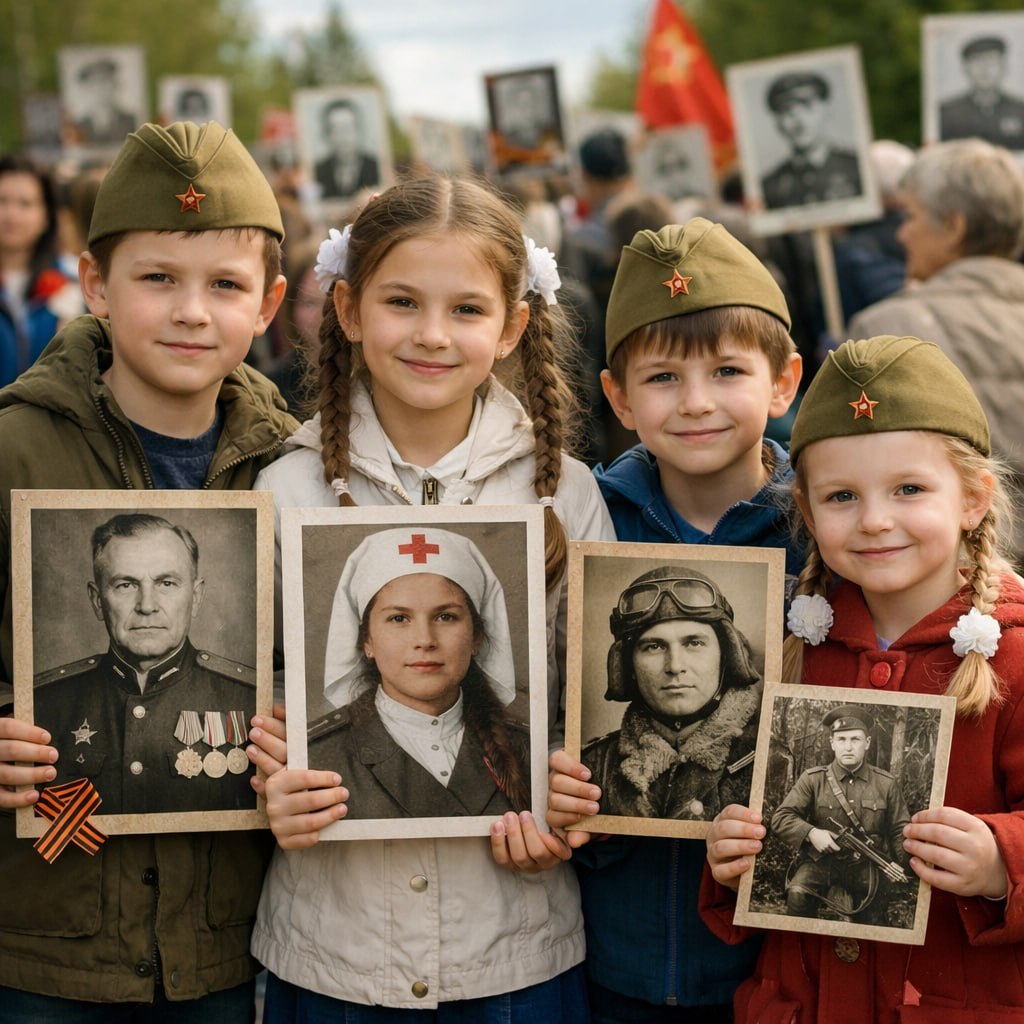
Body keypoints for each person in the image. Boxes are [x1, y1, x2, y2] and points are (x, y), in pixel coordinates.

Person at [246, 174, 614, 1019]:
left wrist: (568, 803)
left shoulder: (567, 495)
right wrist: (268, 774)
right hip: (335, 947)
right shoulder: (286, 490)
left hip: (514, 946)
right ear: (347, 310)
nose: (432, 336)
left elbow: (591, 702)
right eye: (403, 302)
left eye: (468, 310)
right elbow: (254, 690)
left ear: (515, 324)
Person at [0, 120, 296, 1017]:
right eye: (157, 278)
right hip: (43, 943)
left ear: (270, 305)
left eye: (225, 285)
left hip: (223, 942)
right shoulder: (13, 449)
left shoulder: (298, 471)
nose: (191, 311)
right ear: (94, 284)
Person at [704, 334, 1024, 1022]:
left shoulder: (1015, 659)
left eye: (909, 489)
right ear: (809, 515)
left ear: (972, 499)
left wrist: (1002, 864)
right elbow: (760, 824)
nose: (875, 520)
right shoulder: (787, 646)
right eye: (842, 496)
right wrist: (732, 857)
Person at [547, 219, 802, 1021]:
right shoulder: (581, 519)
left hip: (773, 967)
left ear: (784, 383)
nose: (695, 403)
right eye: (661, 378)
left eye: (728, 370)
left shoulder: (827, 534)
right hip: (608, 949)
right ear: (617, 397)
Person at [848, 139, 1024, 568]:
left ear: (954, 225)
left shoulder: (885, 332)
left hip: (966, 584)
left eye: (911, 216)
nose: (901, 233)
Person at [33, 513, 258, 816]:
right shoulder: (43, 703)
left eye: (166, 583)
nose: (147, 605)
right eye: (126, 585)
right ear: (98, 600)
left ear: (196, 596)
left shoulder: (251, 697)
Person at [308, 527, 531, 820]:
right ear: (367, 641)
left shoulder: (528, 749)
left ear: (476, 637)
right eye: (399, 618)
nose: (425, 640)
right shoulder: (317, 754)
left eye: (445, 617)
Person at [581, 566, 762, 821]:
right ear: (627, 667)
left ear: (726, 657)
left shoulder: (770, 757)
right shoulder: (593, 767)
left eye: (694, 643)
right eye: (654, 647)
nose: (675, 666)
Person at [771, 705, 912, 925]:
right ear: (832, 743)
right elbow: (781, 818)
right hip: (821, 863)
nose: (848, 747)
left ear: (866, 743)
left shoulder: (885, 784)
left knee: (874, 916)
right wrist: (812, 833)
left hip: (868, 865)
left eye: (855, 739)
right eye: (842, 739)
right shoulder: (813, 779)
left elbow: (900, 830)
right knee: (798, 893)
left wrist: (900, 865)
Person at [0, 153, 81, 386]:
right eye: (2, 200)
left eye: (25, 204)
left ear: (46, 215)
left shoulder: (74, 280)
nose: (11, 215)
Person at [760, 71, 862, 210]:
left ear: (825, 110)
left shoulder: (857, 167)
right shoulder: (769, 185)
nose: (799, 122)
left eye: (807, 107)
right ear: (777, 122)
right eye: (786, 111)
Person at [939, 35, 1024, 150]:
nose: (985, 69)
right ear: (965, 67)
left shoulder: (1019, 109)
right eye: (977, 61)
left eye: (991, 61)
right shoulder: (947, 112)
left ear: (1003, 66)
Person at [313, 98, 380, 201]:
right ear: (327, 134)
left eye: (347, 129)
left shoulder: (376, 167)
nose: (343, 137)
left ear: (359, 130)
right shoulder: (318, 171)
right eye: (336, 130)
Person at [71, 56, 137, 146]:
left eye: (105, 82)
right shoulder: (80, 125)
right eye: (94, 84)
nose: (100, 90)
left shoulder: (130, 120)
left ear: (114, 85)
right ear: (87, 89)